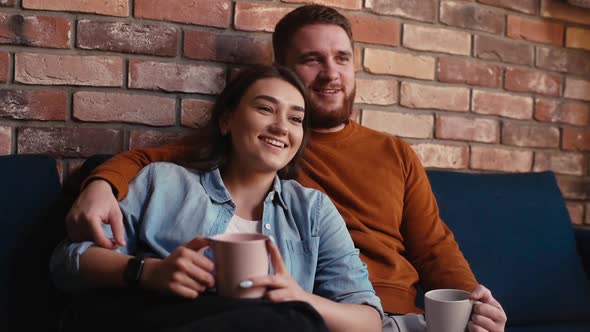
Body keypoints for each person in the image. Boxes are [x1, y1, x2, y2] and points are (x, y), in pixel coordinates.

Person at [64, 5, 507, 332]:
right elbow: (157, 161)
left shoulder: (386, 158)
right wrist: (101, 182)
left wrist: (473, 303)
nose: (331, 73)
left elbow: (433, 248)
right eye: (312, 60)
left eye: (342, 58)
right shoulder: (237, 155)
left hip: (379, 318)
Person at [51, 65, 383, 332]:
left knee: (294, 319)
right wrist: (148, 272)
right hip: (158, 316)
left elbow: (368, 319)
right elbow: (69, 262)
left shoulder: (313, 210)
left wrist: (298, 297)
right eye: (266, 108)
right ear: (226, 120)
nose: (282, 127)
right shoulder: (162, 181)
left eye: (296, 118)